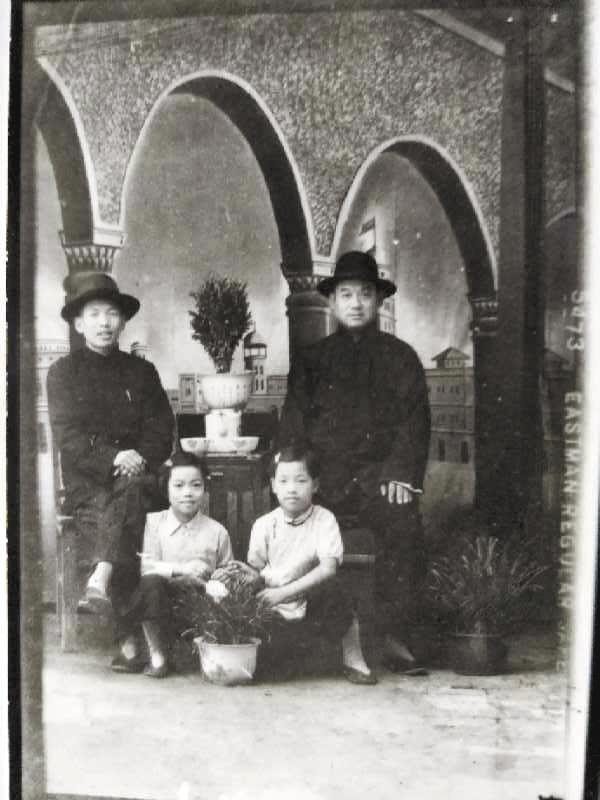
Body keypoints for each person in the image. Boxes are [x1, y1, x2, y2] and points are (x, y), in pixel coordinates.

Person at [277, 250, 431, 675]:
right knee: (293, 526)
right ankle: (308, 637)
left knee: (402, 522)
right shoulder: (312, 360)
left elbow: (415, 422)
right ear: (332, 302)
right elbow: (293, 423)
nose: (356, 303)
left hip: (379, 480)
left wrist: (399, 474)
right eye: (346, 294)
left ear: (379, 300)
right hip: (324, 482)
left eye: (365, 293)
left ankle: (395, 636)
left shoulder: (401, 358)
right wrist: (301, 480)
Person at [47, 271, 175, 619]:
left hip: (140, 478)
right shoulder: (62, 373)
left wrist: (138, 459)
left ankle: (100, 577)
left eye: (112, 314)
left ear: (123, 322)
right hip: (88, 484)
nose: (104, 323)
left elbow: (162, 430)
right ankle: (129, 634)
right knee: (117, 509)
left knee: (131, 492)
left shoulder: (142, 372)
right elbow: (68, 437)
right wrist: (115, 457)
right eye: (94, 314)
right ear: (79, 324)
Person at [225, 444, 377, 685]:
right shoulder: (264, 524)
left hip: (310, 600)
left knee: (337, 589)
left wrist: (284, 592)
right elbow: (258, 570)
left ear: (315, 485)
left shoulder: (324, 519)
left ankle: (353, 658)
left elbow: (328, 568)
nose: (292, 489)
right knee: (275, 668)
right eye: (283, 481)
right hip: (275, 606)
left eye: (301, 481)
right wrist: (252, 577)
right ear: (273, 485)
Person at [113, 451, 233, 678]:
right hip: (162, 603)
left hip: (200, 604)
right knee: (151, 583)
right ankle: (157, 654)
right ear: (166, 490)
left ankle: (198, 651)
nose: (187, 493)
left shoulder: (217, 531)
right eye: (178, 486)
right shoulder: (155, 523)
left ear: (204, 489)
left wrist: (215, 579)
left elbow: (227, 573)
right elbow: (148, 567)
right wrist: (182, 570)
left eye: (196, 485)